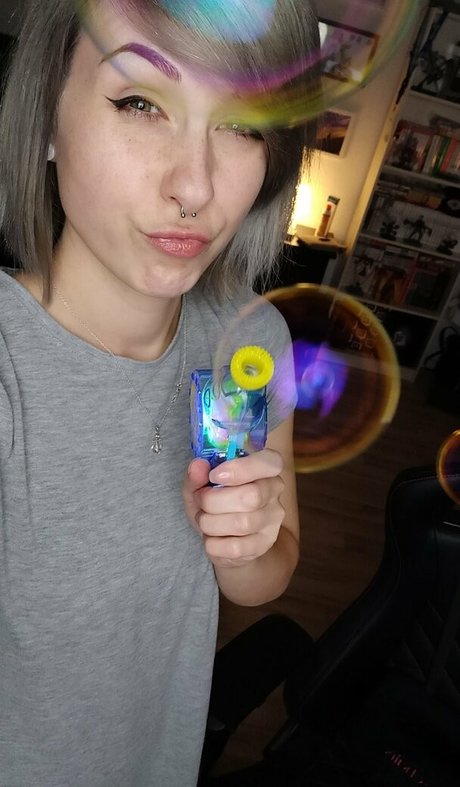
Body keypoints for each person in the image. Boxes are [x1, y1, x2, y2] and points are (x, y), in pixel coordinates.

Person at [0, 0, 320, 784]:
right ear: (46, 116)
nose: (194, 186)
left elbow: (271, 568)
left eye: (243, 123)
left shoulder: (247, 342)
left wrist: (246, 543)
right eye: (142, 103)